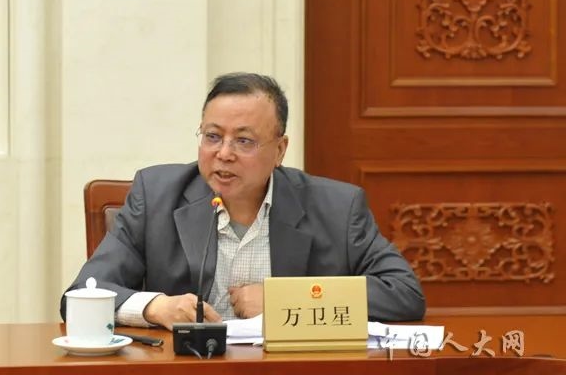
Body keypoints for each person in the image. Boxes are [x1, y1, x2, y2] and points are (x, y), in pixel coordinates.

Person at [60, 72, 425, 330]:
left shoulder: (336, 207)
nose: (224, 153)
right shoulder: (156, 195)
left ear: (279, 150)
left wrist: (286, 302)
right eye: (212, 136)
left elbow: (404, 294)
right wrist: (156, 307)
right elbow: (81, 294)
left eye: (244, 141)